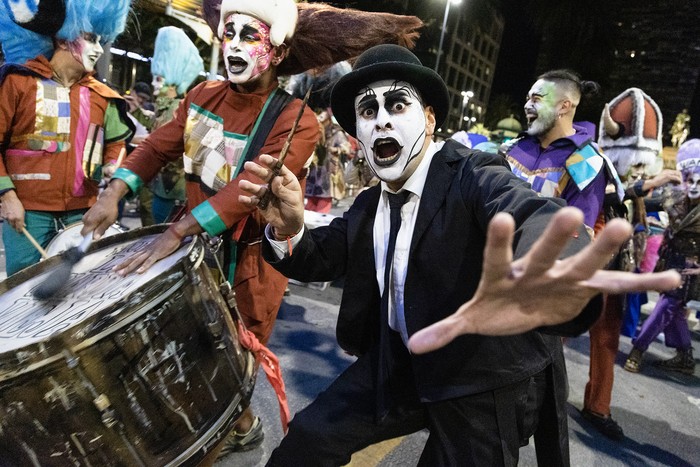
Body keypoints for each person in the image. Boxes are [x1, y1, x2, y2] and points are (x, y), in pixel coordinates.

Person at [237, 44, 680, 466]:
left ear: (429, 119)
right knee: (307, 442)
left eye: (397, 105)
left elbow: (528, 212)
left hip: (479, 376)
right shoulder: (371, 204)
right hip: (399, 365)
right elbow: (320, 257)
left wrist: (549, 275)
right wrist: (288, 227)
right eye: (368, 111)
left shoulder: (473, 172)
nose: (382, 123)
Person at [80, 0, 425, 458]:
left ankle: (232, 427)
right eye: (230, 34)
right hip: (193, 249)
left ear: (277, 52)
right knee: (191, 345)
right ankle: (236, 424)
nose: (235, 47)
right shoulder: (202, 95)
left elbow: (250, 186)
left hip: (250, 263)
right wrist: (115, 192)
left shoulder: (296, 120)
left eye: (250, 36)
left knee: (232, 353)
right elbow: (159, 145)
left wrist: (179, 230)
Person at [502, 69, 625, 440]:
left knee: (524, 390)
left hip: (538, 287)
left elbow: (576, 233)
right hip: (496, 276)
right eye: (528, 96)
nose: (528, 104)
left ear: (565, 106)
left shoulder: (588, 160)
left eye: (537, 98)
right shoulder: (513, 149)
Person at [0, 0, 133, 276]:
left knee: (77, 294)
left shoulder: (103, 97)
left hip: (83, 214)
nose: (98, 49)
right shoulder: (17, 82)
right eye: (91, 39)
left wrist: (112, 165)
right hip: (28, 213)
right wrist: (7, 196)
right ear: (63, 38)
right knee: (23, 293)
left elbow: (116, 145)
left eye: (102, 41)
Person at [582, 88, 683, 440]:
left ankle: (598, 405)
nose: (641, 170)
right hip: (581, 265)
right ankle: (524, 391)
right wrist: (645, 185)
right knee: (550, 336)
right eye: (635, 162)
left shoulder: (638, 187)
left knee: (607, 340)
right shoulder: (589, 160)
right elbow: (607, 194)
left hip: (616, 271)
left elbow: (645, 201)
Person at [624, 138, 700, 375]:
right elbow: (639, 198)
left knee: (666, 307)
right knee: (674, 310)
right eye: (690, 180)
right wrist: (654, 180)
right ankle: (685, 356)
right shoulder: (674, 197)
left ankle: (638, 349)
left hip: (691, 268)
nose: (694, 185)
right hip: (669, 260)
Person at [139, 26, 203, 225]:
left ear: (174, 81)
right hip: (159, 186)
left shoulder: (178, 110)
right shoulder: (168, 108)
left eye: (160, 78)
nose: (155, 84)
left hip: (170, 189)